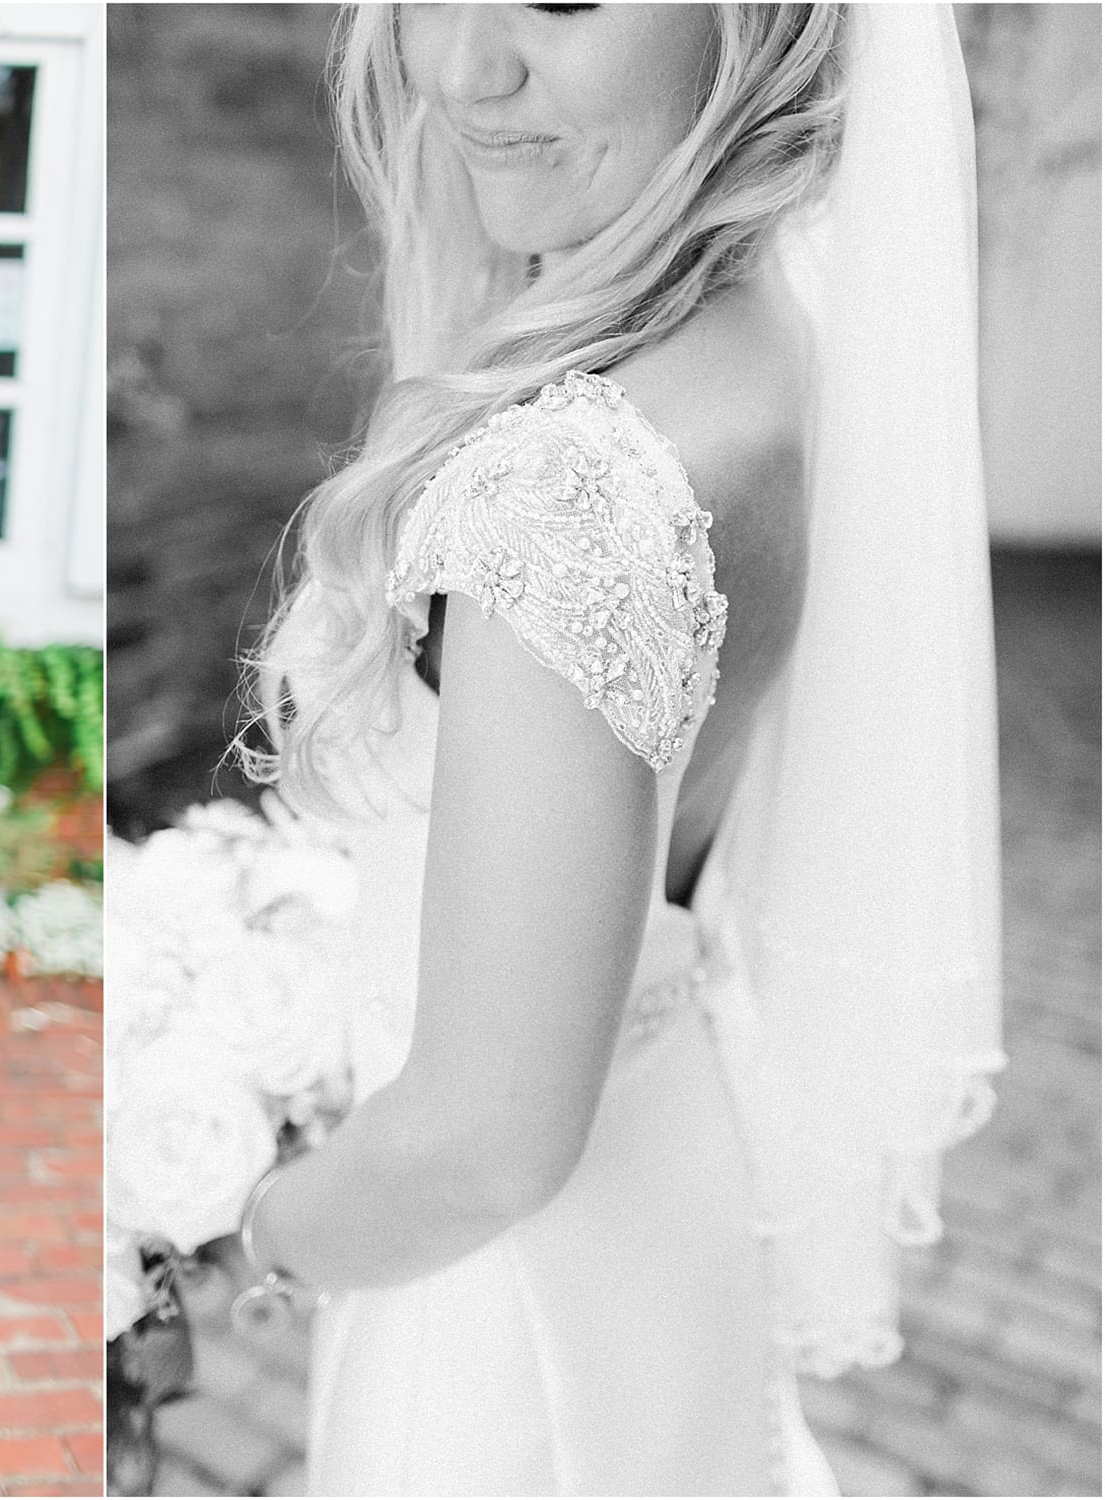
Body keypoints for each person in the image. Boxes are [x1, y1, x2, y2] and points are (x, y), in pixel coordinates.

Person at [230, 5, 1002, 1494]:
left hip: (507, 1304)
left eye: (562, 2)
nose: (462, 71)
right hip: (659, 1209)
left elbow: (478, 1146)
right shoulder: (792, 326)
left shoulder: (568, 497)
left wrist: (226, 1224)